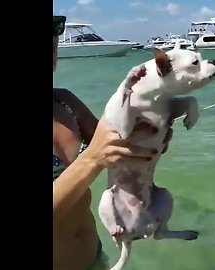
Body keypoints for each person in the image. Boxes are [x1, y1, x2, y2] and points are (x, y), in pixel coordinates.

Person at [52, 15, 174, 270]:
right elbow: (98, 155)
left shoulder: (65, 102)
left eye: (54, 26)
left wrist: (151, 134)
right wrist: (93, 159)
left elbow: (119, 146)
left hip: (95, 259)